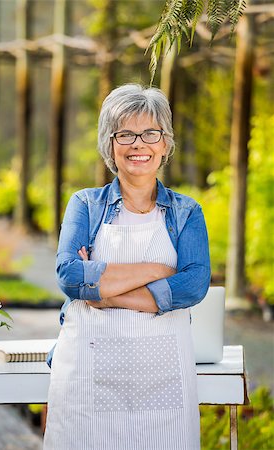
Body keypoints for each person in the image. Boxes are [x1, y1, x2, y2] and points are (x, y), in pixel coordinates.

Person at [43, 83, 210, 450]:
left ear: (165, 144)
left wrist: (106, 293)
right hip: (87, 379)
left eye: (151, 133)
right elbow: (70, 277)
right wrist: (158, 269)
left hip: (163, 382)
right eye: (126, 134)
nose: (139, 144)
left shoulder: (186, 212)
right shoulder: (85, 205)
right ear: (110, 144)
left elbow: (194, 285)